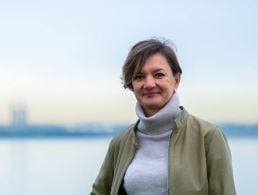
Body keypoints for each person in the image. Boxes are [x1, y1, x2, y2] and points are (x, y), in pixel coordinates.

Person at [91, 38, 236, 195]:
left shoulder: (208, 136)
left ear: (176, 79)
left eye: (158, 75)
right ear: (131, 84)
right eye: (139, 76)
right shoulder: (119, 143)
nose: (149, 83)